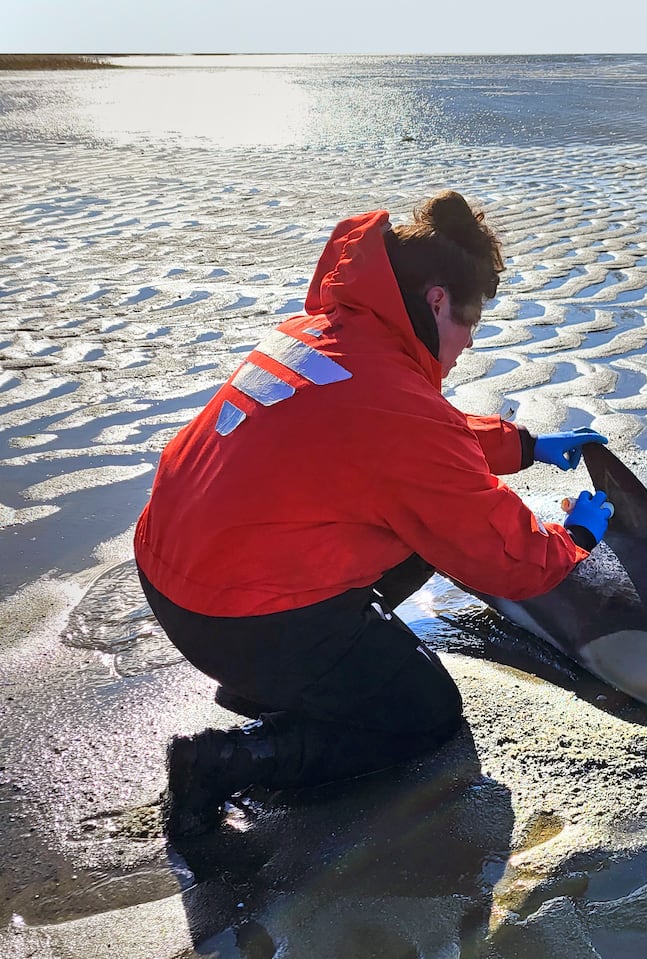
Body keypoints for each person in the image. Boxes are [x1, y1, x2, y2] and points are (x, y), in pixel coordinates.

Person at [133, 190, 614, 837]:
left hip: (173, 571)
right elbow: (505, 557)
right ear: (438, 300)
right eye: (470, 321)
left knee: (415, 528)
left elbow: (401, 437)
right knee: (426, 714)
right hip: (229, 612)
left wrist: (525, 444)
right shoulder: (395, 406)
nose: (469, 341)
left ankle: (290, 680)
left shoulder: (331, 335)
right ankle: (228, 759)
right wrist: (576, 535)